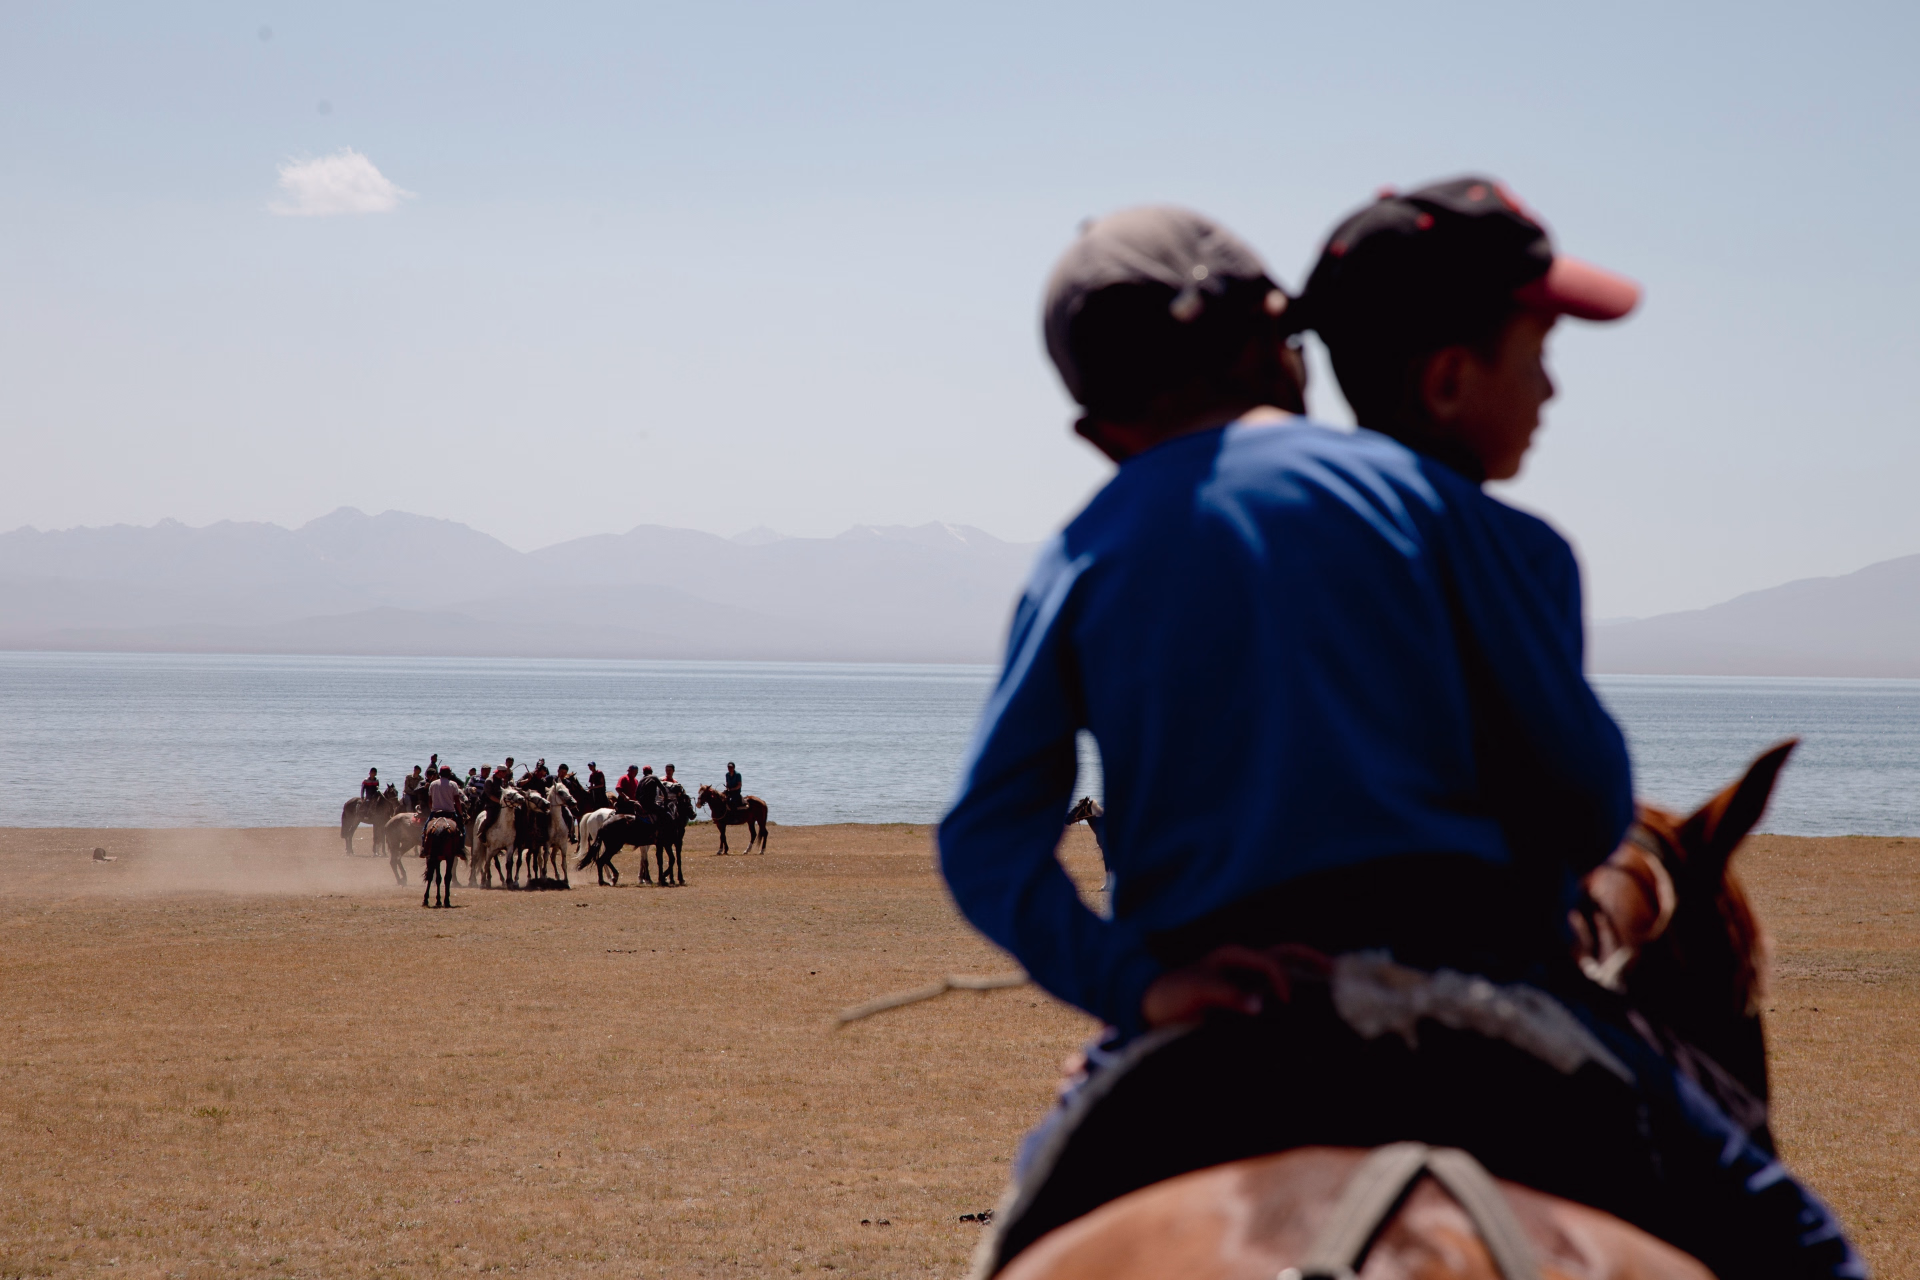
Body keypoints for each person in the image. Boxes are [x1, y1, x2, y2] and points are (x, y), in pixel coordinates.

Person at [938, 197, 1859, 1278]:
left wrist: (1132, 983)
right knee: (1800, 1247)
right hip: (1480, 996)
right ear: (1284, 347)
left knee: (1025, 1237)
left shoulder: (1082, 553)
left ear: (1098, 433)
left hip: (1222, 1009)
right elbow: (1584, 803)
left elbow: (986, 841)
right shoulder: (1474, 522)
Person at [427, 765, 465, 838]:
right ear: (449, 774)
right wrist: (461, 814)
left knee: (425, 830)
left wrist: (432, 810)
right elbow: (457, 801)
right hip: (450, 812)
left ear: (440, 774)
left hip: (436, 812)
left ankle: (423, 844)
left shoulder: (433, 784)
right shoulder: (453, 784)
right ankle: (462, 845)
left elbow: (430, 801)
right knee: (462, 831)